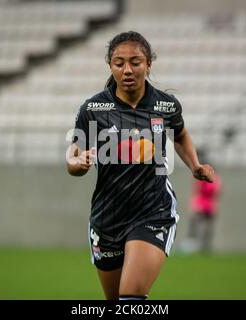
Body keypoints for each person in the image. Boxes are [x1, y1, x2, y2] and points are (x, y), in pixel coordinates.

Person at [66, 31, 215, 300]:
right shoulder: (93, 109)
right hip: (107, 216)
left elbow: (180, 133)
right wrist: (77, 163)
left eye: (135, 62)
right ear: (110, 65)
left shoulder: (165, 105)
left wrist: (194, 165)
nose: (127, 70)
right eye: (119, 62)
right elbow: (73, 156)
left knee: (131, 297)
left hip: (152, 210)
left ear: (148, 64)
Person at [182, 150, 222, 254]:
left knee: (203, 227)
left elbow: (210, 191)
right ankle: (195, 245)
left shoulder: (212, 179)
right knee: (199, 226)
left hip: (205, 205)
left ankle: (201, 246)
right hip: (205, 205)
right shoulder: (213, 179)